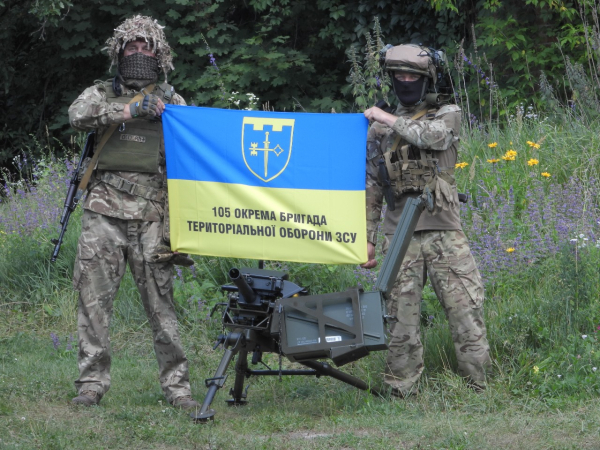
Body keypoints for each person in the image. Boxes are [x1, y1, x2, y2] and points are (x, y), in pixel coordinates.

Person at [68, 15, 198, 409]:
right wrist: (129, 111)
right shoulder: (100, 92)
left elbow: (191, 154)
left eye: (146, 46)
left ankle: (178, 389)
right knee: (93, 303)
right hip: (103, 213)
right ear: (118, 52)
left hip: (153, 217)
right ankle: (91, 384)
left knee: (162, 307)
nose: (138, 51)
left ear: (160, 54)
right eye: (131, 46)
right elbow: (76, 117)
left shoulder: (173, 101)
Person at [361, 44, 491, 397]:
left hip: (444, 231)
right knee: (399, 319)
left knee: (465, 309)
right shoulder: (377, 131)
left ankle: (480, 386)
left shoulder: (447, 113)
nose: (405, 82)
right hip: (397, 233)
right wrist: (368, 238)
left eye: (412, 77)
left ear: (426, 79)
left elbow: (434, 138)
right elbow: (372, 184)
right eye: (398, 76)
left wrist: (387, 119)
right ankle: (402, 389)